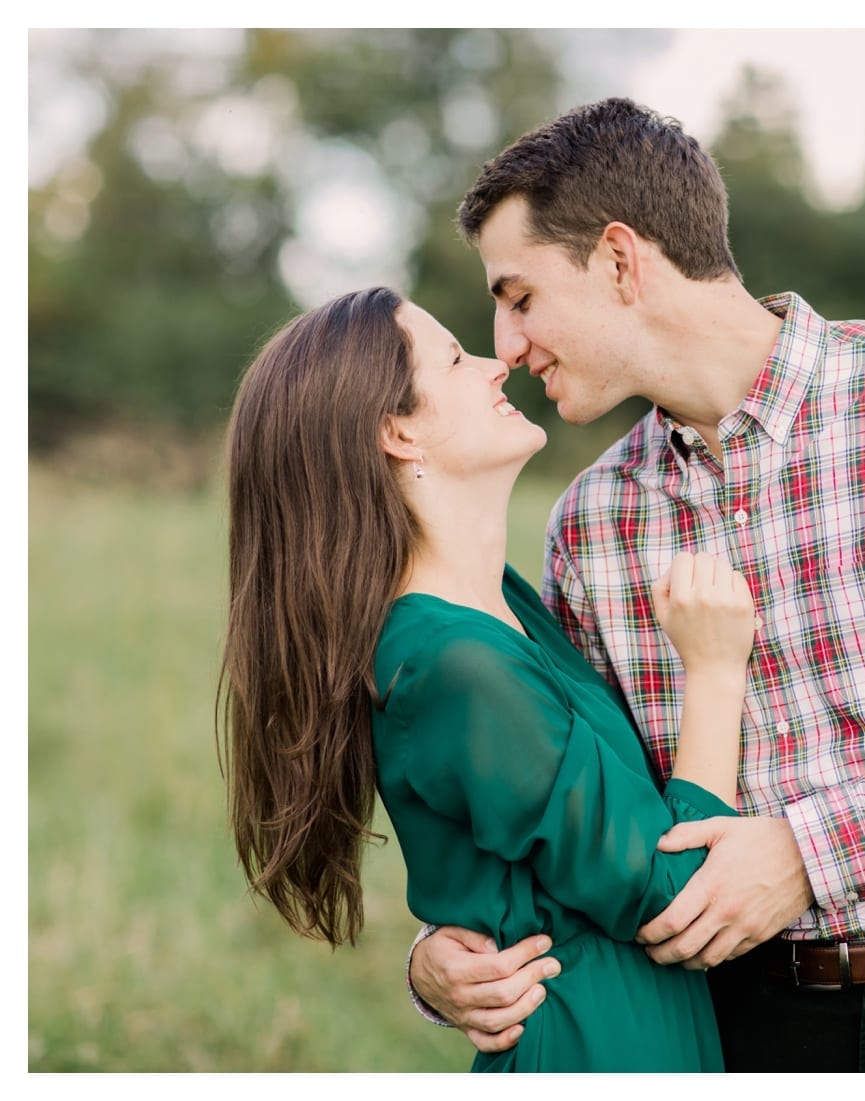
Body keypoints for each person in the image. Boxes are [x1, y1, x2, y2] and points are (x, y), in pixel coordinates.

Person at [409, 97, 865, 1073]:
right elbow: (578, 824)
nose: (507, 346)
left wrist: (814, 852)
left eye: (519, 297)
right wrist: (439, 959)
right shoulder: (594, 525)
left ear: (619, 260)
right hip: (746, 1028)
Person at [218, 285, 761, 1071]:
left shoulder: (502, 601)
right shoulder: (452, 661)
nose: (496, 364)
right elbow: (677, 897)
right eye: (454, 357)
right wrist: (714, 673)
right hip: (595, 1047)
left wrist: (433, 955)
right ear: (397, 431)